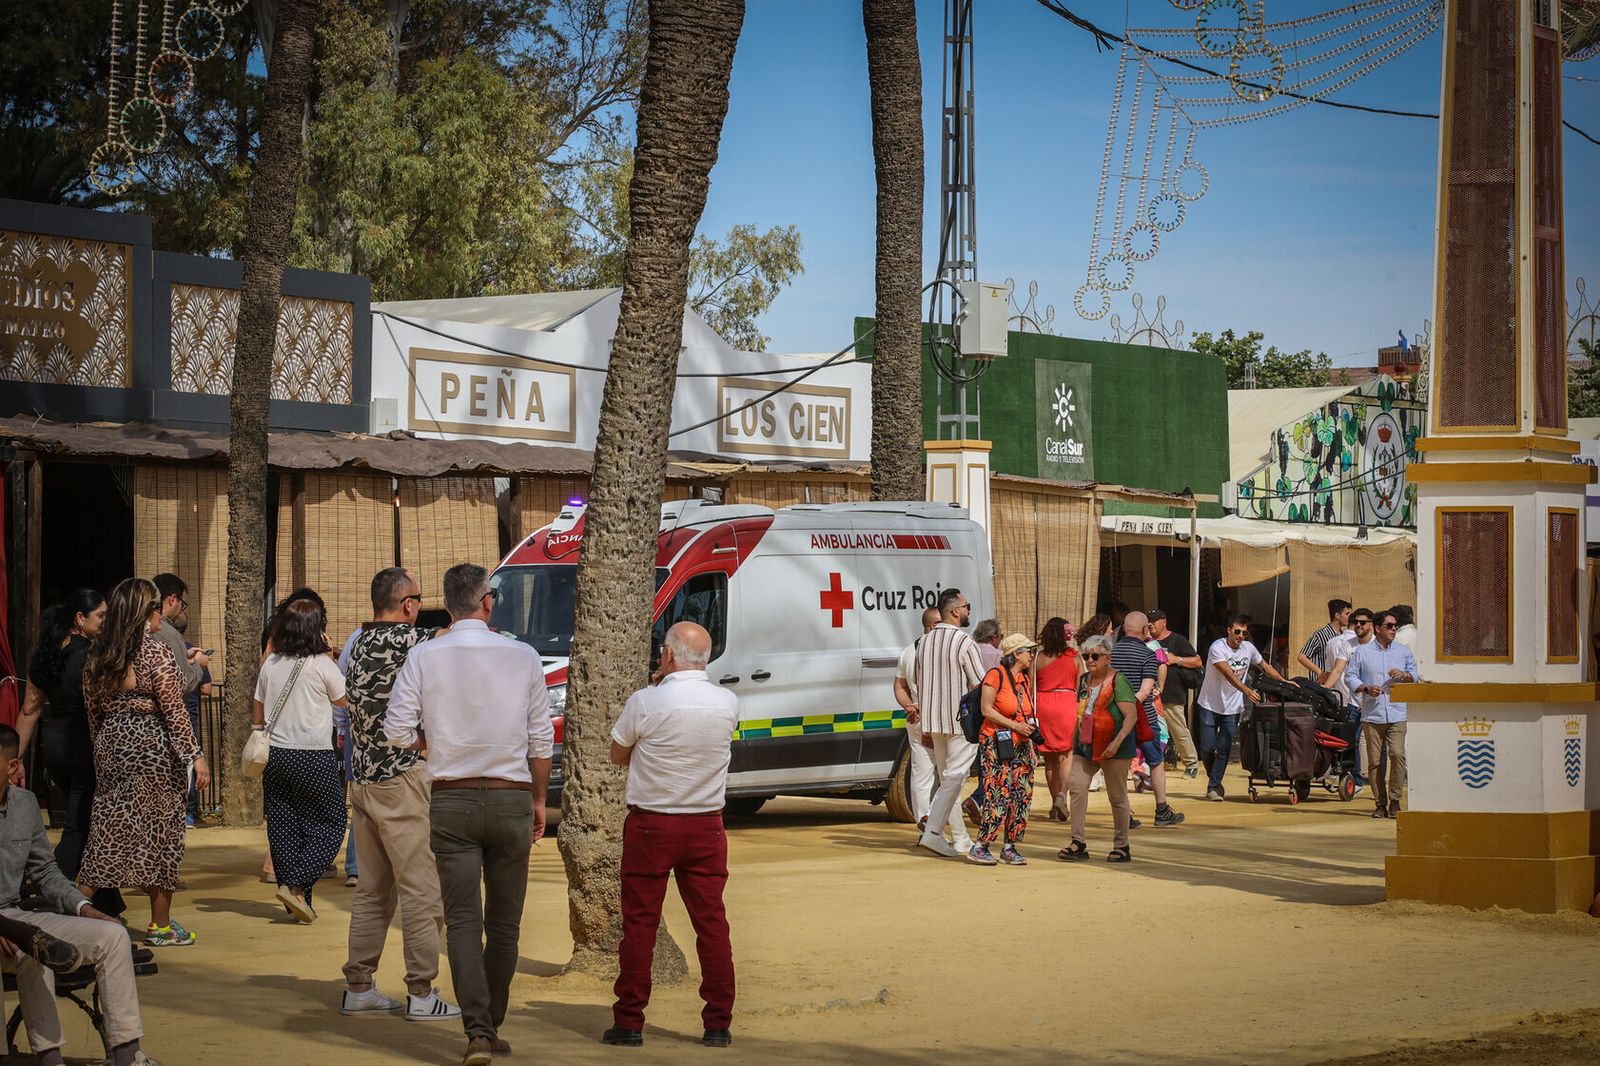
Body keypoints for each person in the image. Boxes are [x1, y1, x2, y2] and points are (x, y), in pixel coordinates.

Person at [386, 563, 553, 1066]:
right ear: (487, 602)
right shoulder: (523, 656)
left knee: (461, 921)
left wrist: (432, 745)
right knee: (505, 925)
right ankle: (490, 1023)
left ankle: (477, 1029)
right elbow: (541, 738)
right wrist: (541, 801)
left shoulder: (424, 655)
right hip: (510, 797)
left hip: (451, 798)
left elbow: (395, 729)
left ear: (449, 604)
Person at [603, 622, 739, 1048]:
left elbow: (617, 754)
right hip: (705, 823)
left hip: (652, 823)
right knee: (712, 924)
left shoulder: (646, 701)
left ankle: (629, 1021)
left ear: (667, 654)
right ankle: (718, 1022)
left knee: (640, 923)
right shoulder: (727, 701)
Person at [0, 723, 166, 1066]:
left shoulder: (25, 804)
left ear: (12, 766)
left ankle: (128, 1055)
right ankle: (49, 1058)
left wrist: (84, 907)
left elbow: (45, 872)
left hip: (17, 917)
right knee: (32, 949)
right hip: (9, 928)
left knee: (112, 935)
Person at [338, 567, 459, 1021]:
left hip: (364, 779)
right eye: (418, 600)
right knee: (421, 890)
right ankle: (422, 993)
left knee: (372, 890)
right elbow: (455, 634)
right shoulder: (409, 642)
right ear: (408, 604)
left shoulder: (358, 642)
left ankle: (359, 986)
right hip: (401, 780)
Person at [78, 578, 210, 948]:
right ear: (143, 613)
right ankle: (161, 926)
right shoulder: (155, 653)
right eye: (155, 609)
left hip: (112, 749)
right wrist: (195, 756)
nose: (159, 616)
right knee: (162, 835)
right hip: (154, 752)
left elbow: (93, 712)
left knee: (106, 834)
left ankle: (70, 911)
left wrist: (103, 753)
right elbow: (174, 710)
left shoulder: (97, 654)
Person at [13, 590, 125, 918]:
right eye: (101, 616)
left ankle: (108, 907)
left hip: (55, 746)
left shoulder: (47, 653)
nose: (106, 622)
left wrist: (15, 759)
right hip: (83, 747)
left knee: (89, 827)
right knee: (79, 829)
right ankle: (51, 898)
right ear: (80, 619)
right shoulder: (93, 655)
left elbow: (30, 710)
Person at [254, 596, 349, 924]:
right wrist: (330, 655)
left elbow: (257, 708)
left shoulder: (271, 664)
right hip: (313, 756)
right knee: (332, 823)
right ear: (316, 631)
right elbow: (343, 700)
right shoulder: (322, 665)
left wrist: (259, 733)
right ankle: (296, 884)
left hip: (276, 756)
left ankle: (297, 901)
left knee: (284, 826)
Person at [912, 589, 985, 860]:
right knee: (953, 780)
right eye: (966, 606)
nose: (968, 611)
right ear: (955, 611)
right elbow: (980, 685)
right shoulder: (964, 642)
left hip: (933, 722)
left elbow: (920, 684)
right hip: (961, 723)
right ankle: (932, 832)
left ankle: (961, 838)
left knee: (948, 781)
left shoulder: (924, 642)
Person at [1059, 635, 1138, 864]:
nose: (1090, 660)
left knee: (1117, 796)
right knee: (1077, 787)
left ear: (1108, 658)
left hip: (1114, 747)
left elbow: (1130, 716)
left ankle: (1122, 845)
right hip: (1086, 745)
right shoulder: (1084, 680)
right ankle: (1078, 841)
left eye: (1095, 656)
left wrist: (1116, 743)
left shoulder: (1118, 680)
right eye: (1086, 656)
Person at [1195, 613, 1288, 802]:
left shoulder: (1249, 648)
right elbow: (1228, 674)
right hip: (1210, 704)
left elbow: (1264, 666)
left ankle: (1213, 786)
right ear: (1229, 630)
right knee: (1207, 748)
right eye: (1237, 631)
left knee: (1224, 747)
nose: (1240, 636)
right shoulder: (1217, 647)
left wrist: (1284, 682)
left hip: (1233, 707)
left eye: (1244, 633)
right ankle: (1214, 778)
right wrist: (1246, 690)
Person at [970, 634, 1039, 866]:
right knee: (997, 792)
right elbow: (986, 709)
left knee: (1021, 793)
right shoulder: (995, 675)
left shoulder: (1023, 680)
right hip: (996, 741)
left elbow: (1025, 714)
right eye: (1029, 650)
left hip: (1020, 743)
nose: (1032, 655)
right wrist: (1014, 726)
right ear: (1016, 654)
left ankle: (1010, 846)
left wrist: (1029, 743)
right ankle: (982, 844)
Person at [1345, 610, 1417, 818]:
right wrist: (1365, 688)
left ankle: (1395, 800)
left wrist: (1405, 675)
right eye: (1390, 626)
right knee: (1375, 762)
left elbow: (1416, 676)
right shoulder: (1362, 653)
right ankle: (1380, 803)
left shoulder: (1403, 652)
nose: (1394, 629)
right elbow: (1350, 676)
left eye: (1395, 626)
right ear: (1378, 629)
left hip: (1397, 712)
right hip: (1372, 713)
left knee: (1397, 754)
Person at [1118, 612, 1183, 827]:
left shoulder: (1111, 653)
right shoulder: (1147, 654)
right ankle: (1162, 810)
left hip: (1116, 717)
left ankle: (1124, 814)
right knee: (1155, 762)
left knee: (1119, 765)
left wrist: (1121, 706)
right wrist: (1132, 706)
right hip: (1144, 716)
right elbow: (1146, 690)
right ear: (1145, 629)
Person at [892, 607, 942, 832]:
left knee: (921, 775)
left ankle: (924, 821)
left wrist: (909, 705)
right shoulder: (937, 651)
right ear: (932, 627)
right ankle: (937, 825)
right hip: (937, 719)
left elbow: (899, 685)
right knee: (948, 775)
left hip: (916, 719)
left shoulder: (908, 651)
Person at [1031, 617, 1080, 822]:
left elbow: (1032, 687)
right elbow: (1080, 685)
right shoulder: (1075, 657)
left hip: (1044, 706)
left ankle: (1054, 804)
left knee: (1049, 759)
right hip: (1067, 703)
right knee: (1066, 756)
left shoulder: (1038, 657)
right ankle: (1062, 796)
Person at [1148, 609, 1201, 778]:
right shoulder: (1146, 641)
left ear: (1164, 622)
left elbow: (1197, 661)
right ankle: (1147, 765)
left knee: (1179, 730)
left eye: (1154, 621)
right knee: (1149, 730)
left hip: (1172, 693)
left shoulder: (1177, 640)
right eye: (1149, 621)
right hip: (1150, 694)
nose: (1151, 625)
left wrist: (1176, 659)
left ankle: (1191, 763)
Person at [175, 617, 213, 829]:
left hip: (172, 717)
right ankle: (189, 813)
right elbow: (207, 689)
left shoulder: (162, 647)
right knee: (190, 762)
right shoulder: (192, 650)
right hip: (189, 714)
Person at [150, 573, 209, 698]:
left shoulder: (139, 629)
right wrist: (199, 665)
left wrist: (184, 656)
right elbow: (184, 682)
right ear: (172, 599)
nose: (181, 610)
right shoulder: (169, 634)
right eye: (182, 604)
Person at [1298, 599, 1352, 677]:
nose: (1349, 617)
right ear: (1337, 615)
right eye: (1347, 614)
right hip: (1320, 684)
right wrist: (1320, 673)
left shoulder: (1343, 636)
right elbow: (1302, 657)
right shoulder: (1320, 634)